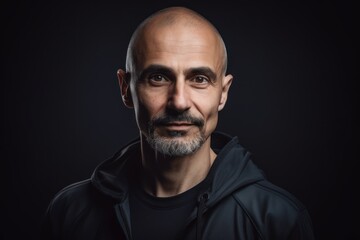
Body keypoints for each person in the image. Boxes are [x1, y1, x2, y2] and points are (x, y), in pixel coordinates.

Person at [41, 6, 315, 240]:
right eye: (159, 77)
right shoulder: (70, 212)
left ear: (224, 92)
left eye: (199, 79)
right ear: (126, 88)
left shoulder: (277, 220)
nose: (179, 101)